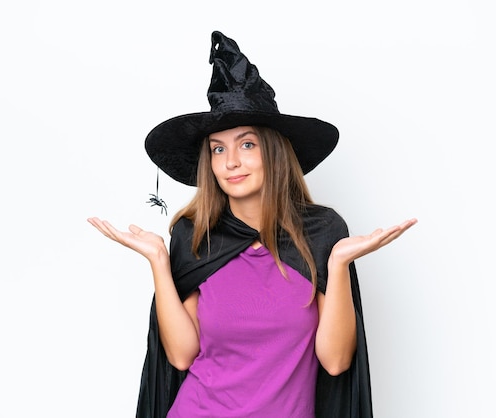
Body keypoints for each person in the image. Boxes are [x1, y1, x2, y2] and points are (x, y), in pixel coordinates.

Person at [88, 31, 416, 418]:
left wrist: (339, 265)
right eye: (217, 149)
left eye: (246, 145)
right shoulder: (196, 237)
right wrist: (159, 262)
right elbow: (180, 356)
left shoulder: (322, 233)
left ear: (272, 153)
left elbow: (336, 361)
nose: (230, 162)